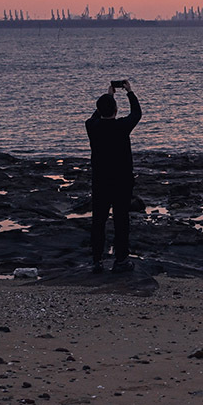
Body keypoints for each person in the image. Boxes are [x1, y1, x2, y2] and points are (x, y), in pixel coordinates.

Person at [86, 80, 142, 273]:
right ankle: (121, 260)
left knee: (98, 221)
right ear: (116, 110)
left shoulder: (92, 127)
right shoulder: (121, 126)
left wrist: (109, 96)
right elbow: (137, 113)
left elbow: (95, 116)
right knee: (121, 220)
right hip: (122, 182)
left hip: (101, 181)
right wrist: (129, 92)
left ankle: (96, 261)